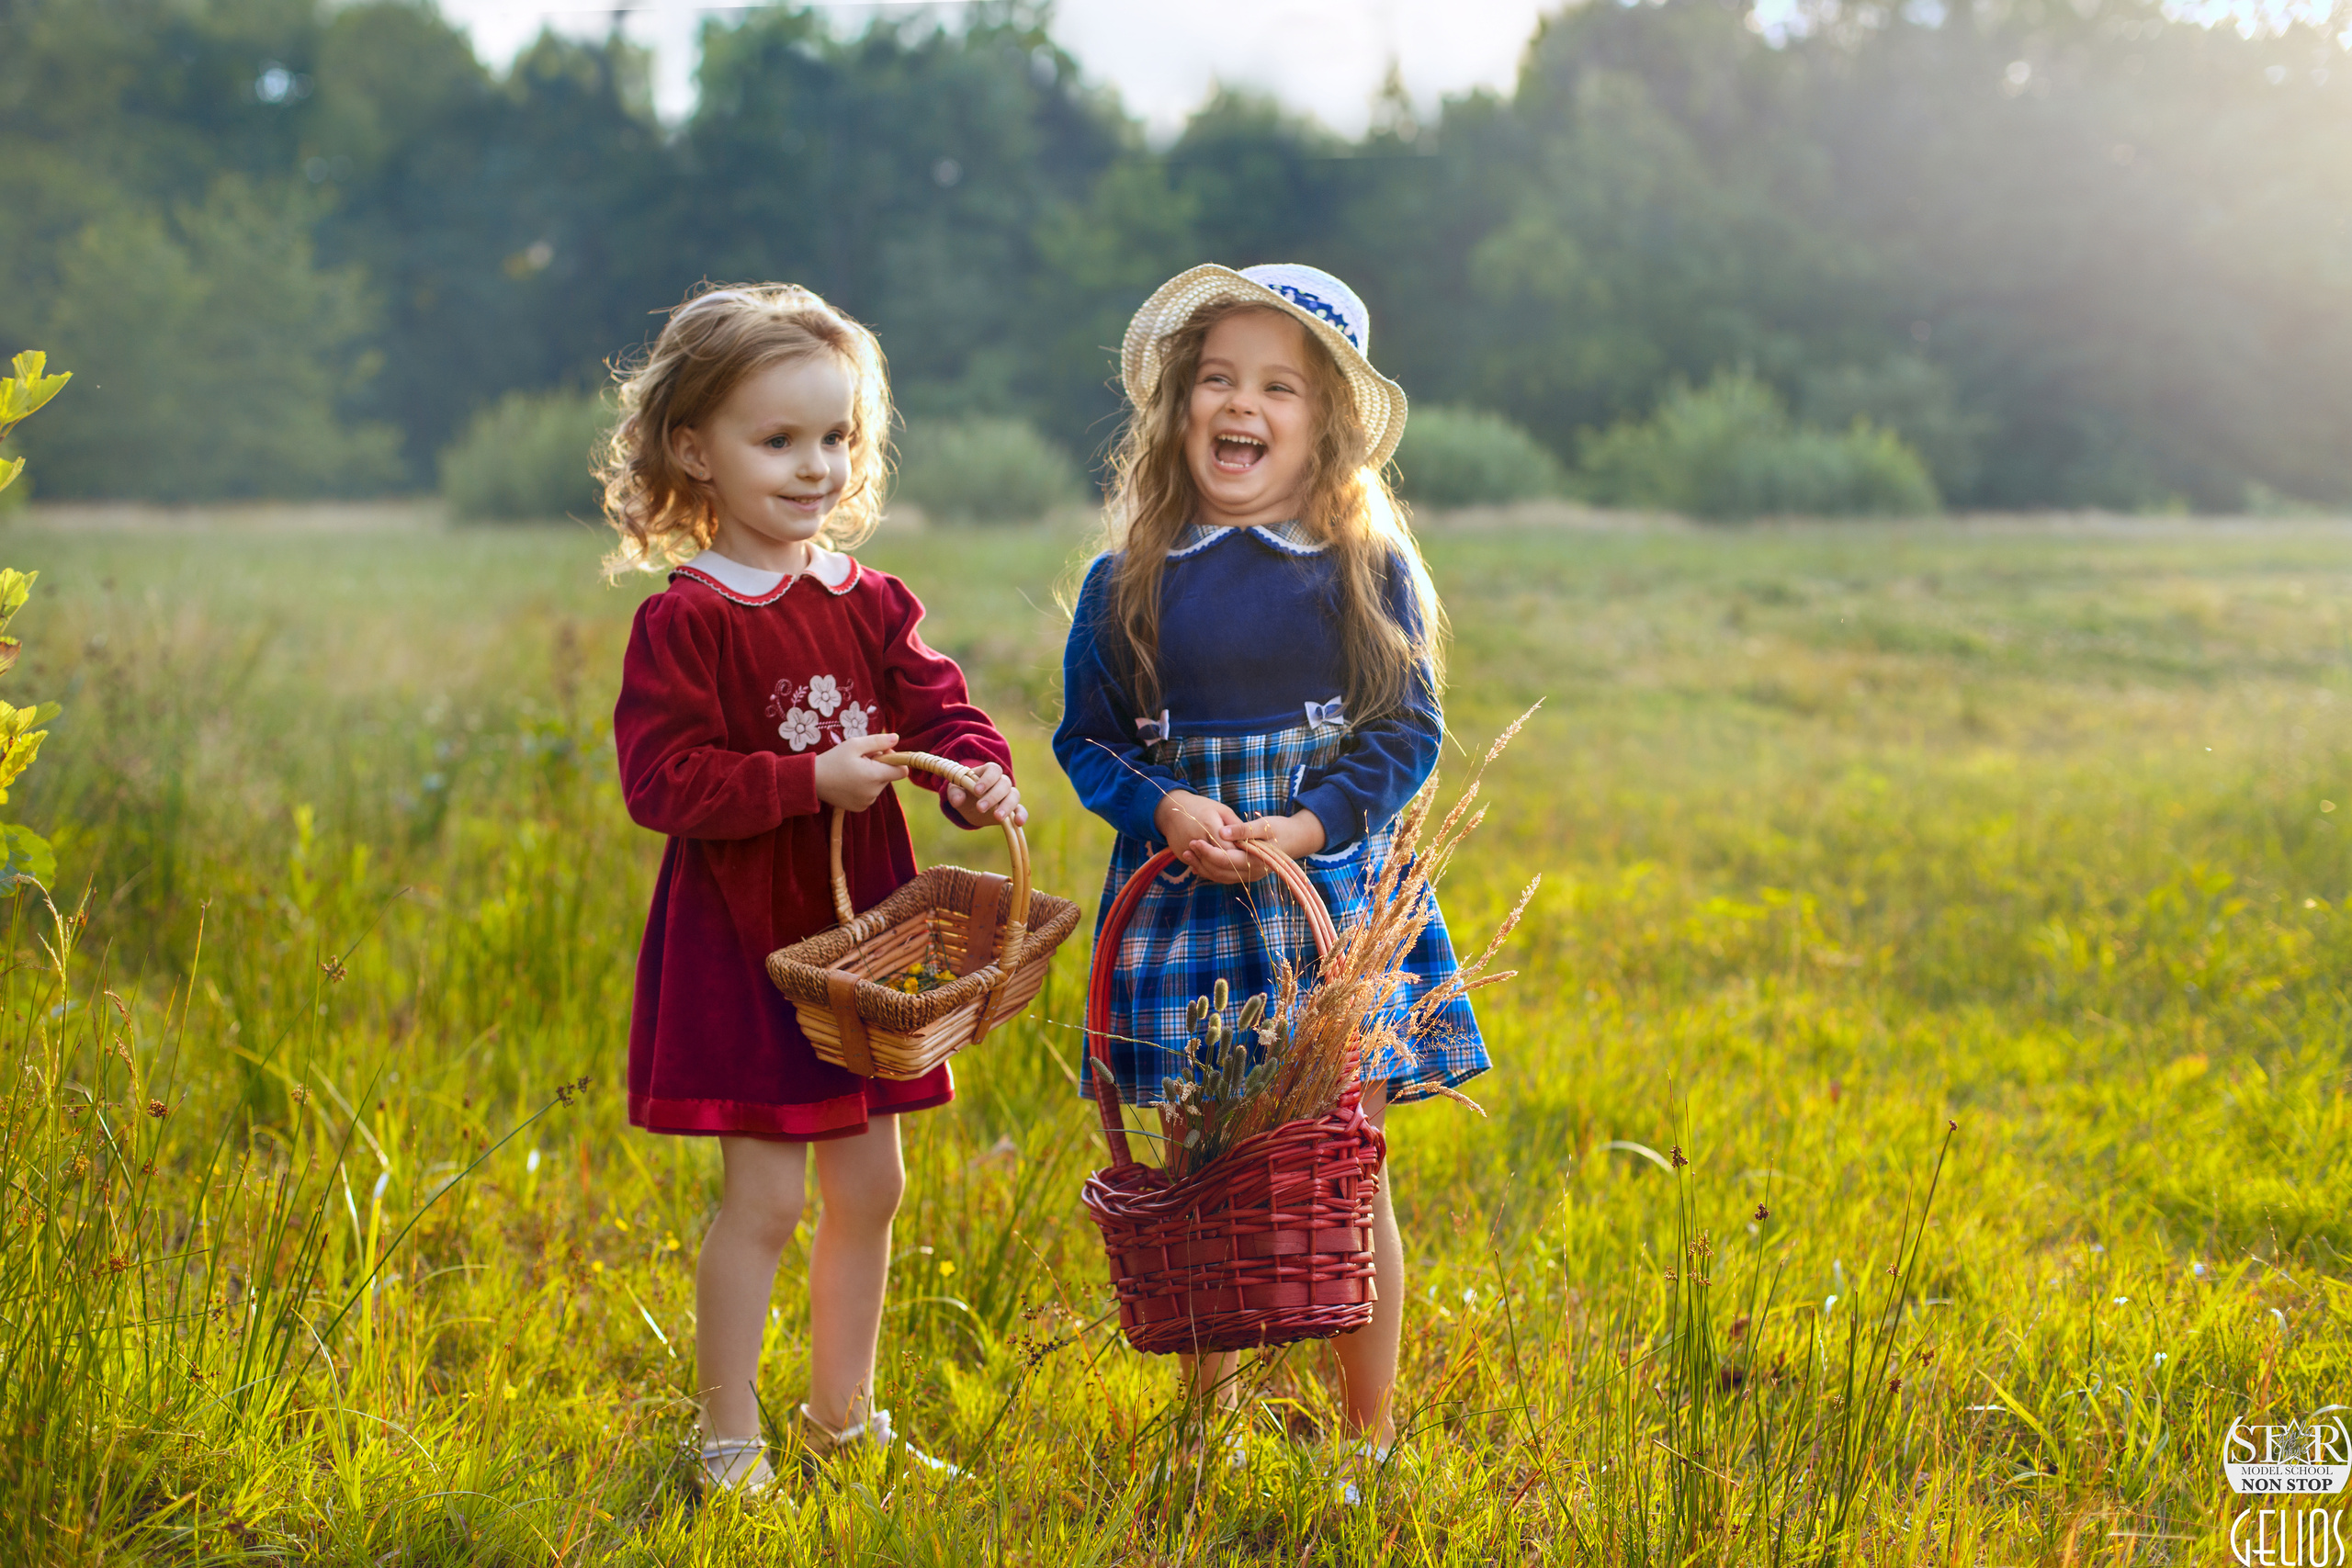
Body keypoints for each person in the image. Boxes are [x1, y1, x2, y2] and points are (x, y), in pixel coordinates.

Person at [1054, 263, 1487, 1470]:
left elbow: (1405, 736)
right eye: (1218, 379)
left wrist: (1304, 825)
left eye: (1278, 387)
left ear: (1328, 427)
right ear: (1181, 406)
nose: (1240, 404)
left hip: (1326, 902)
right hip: (1185, 903)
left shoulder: (1362, 573)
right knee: (1202, 1167)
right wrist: (1163, 806)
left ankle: (1367, 1435)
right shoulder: (1127, 581)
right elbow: (1088, 741)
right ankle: (1213, 1425)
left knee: (1347, 1170)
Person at [601, 283, 1024, 1495]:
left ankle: (844, 1417)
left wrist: (975, 776)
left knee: (874, 1182)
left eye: (835, 437)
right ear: (697, 450)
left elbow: (941, 711)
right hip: (748, 945)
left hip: (863, 938)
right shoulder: (689, 619)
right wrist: (806, 779)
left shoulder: (870, 600)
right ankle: (728, 1436)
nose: (814, 466)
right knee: (766, 1199)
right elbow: (663, 781)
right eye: (777, 439)